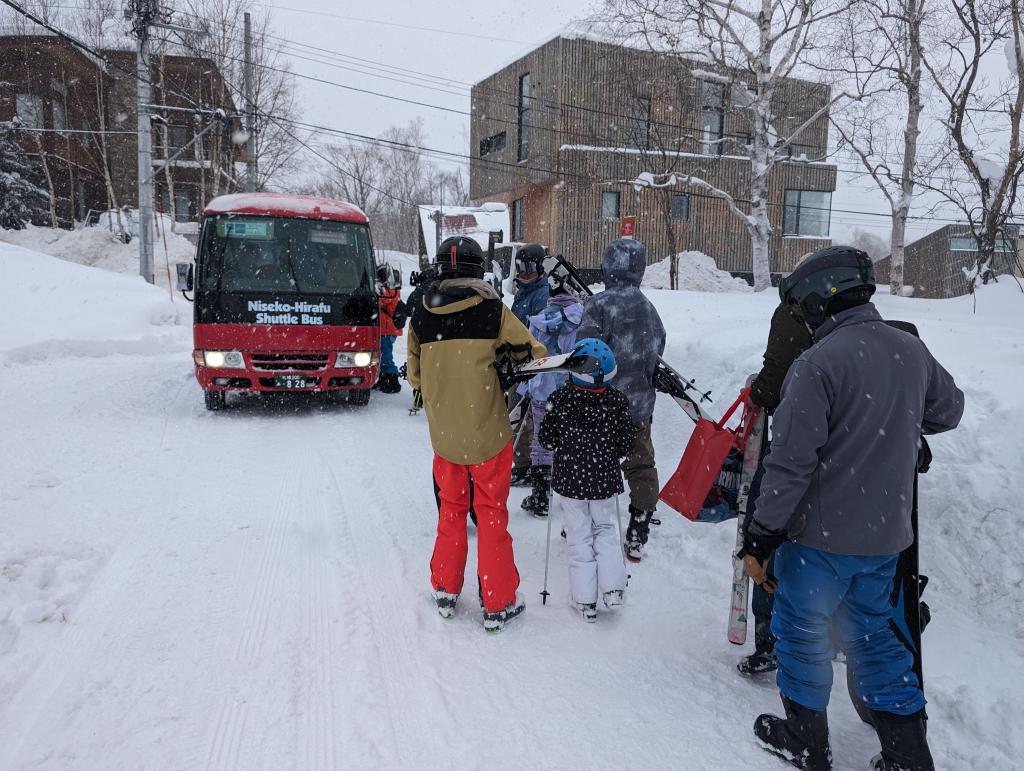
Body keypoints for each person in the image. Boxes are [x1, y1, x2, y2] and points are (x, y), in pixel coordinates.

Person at [738, 246, 964, 771]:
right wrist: (896, 418)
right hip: (886, 536)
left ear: (820, 302)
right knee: (874, 638)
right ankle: (907, 755)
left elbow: (790, 465)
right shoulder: (910, 350)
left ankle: (806, 742)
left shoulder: (816, 363)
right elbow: (948, 411)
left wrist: (762, 533)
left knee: (802, 634)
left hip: (819, 539)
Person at [407, 236, 546, 632]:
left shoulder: (420, 314)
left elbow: (415, 377)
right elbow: (533, 354)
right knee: (490, 516)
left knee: (451, 512)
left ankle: (446, 589)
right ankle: (497, 601)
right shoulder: (492, 310)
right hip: (487, 434)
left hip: (445, 438)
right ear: (477, 269)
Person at [577, 238, 666, 563]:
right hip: (639, 407)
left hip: (601, 406)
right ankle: (638, 532)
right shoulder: (648, 307)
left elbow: (584, 355)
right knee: (641, 464)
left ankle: (585, 525)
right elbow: (660, 348)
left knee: (592, 465)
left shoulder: (599, 305)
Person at [737, 303, 814, 677]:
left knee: (767, 538)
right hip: (845, 464)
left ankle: (771, 641)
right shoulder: (871, 331)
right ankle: (822, 637)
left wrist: (757, 391)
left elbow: (772, 384)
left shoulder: (793, 311)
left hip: (791, 448)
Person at [538, 338, 636, 622]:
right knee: (605, 528)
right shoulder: (616, 401)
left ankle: (584, 598)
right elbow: (626, 444)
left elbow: (546, 439)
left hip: (570, 479)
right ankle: (614, 589)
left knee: (579, 534)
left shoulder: (561, 400)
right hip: (603, 477)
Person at [520, 272, 585, 518]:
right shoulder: (584, 317)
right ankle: (573, 495)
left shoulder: (537, 321)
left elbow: (530, 357)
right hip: (571, 389)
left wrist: (525, 387)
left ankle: (540, 496)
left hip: (543, 389)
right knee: (571, 439)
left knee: (541, 440)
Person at [509, 244, 551, 487]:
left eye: (528, 268)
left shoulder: (542, 294)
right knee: (516, 415)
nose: (523, 273)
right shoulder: (523, 291)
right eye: (519, 268)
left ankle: (536, 468)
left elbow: (537, 334)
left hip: (532, 365)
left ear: (539, 268)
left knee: (530, 419)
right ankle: (523, 464)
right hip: (517, 362)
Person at [374, 264, 403, 394]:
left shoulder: (389, 291)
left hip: (387, 330)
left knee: (386, 356)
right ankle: (383, 379)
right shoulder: (390, 289)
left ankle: (392, 382)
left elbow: (384, 302)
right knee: (382, 356)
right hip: (386, 330)